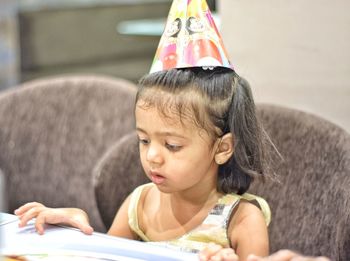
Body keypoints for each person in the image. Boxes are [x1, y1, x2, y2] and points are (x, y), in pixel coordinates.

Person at [15, 67, 272, 261]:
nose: (152, 157)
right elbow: (108, 256)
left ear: (223, 148)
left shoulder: (242, 221)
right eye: (144, 140)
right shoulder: (140, 203)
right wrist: (78, 232)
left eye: (172, 145)